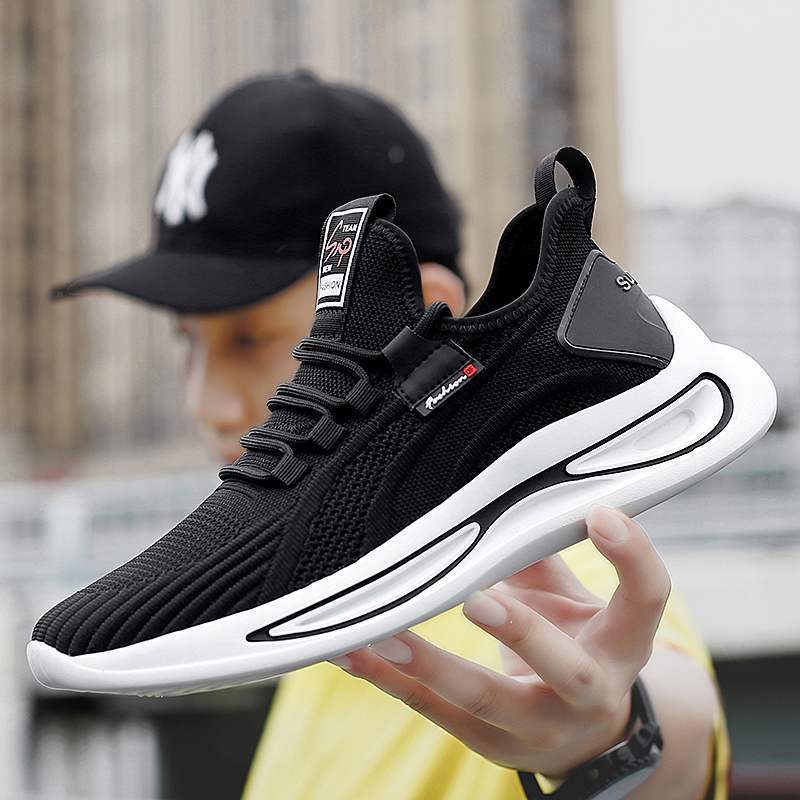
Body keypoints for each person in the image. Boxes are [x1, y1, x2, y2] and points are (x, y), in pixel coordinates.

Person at [54, 73, 728, 799]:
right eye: (187, 343)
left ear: (418, 323)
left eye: (249, 339)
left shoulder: (546, 576)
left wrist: (609, 738)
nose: (204, 403)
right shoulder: (324, 579)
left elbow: (654, 694)